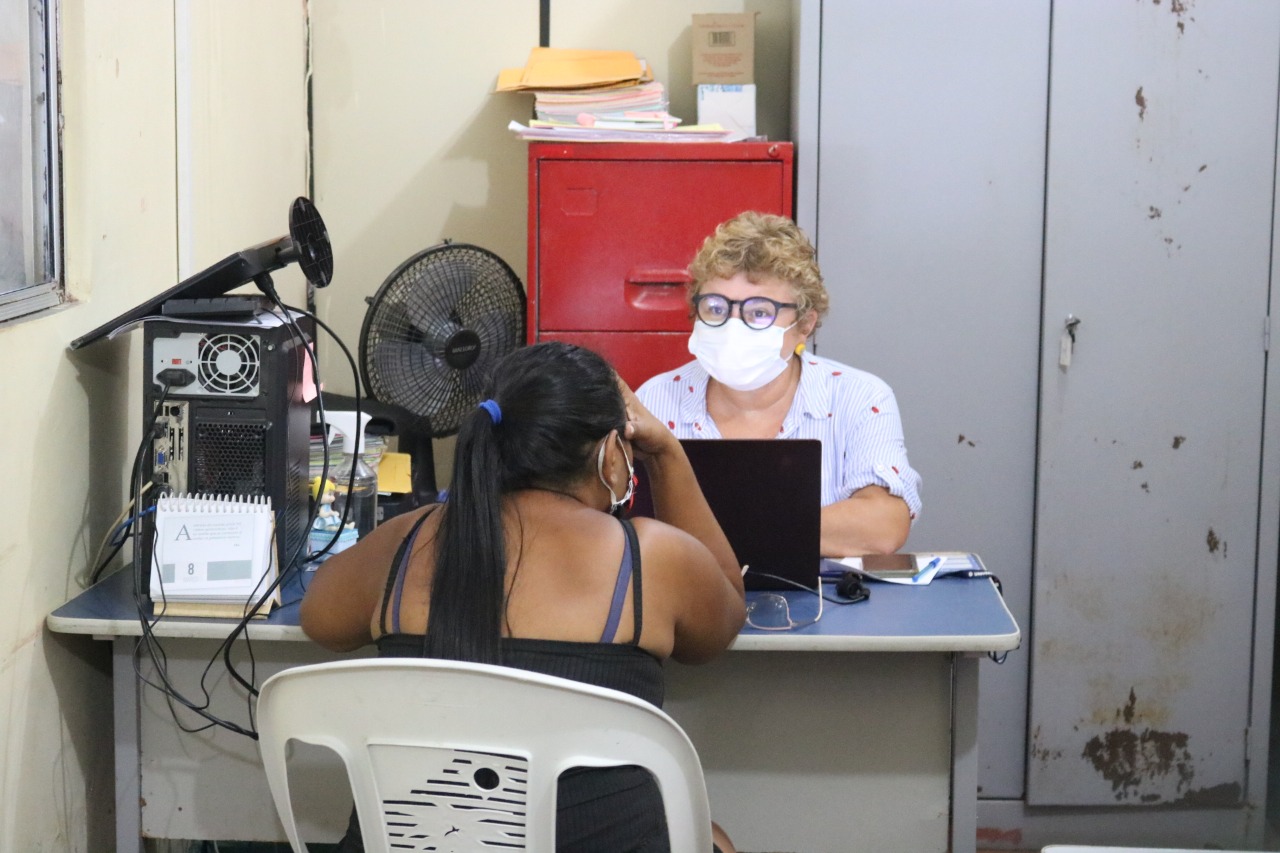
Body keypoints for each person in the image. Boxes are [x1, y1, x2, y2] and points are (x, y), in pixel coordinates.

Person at [300, 341, 744, 853]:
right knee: (714, 839)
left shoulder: (405, 539)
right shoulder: (651, 556)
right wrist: (666, 453)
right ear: (611, 452)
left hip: (419, 844)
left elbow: (320, 622)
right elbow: (724, 616)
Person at [636, 211, 922, 558]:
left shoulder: (859, 397)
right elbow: (623, 522)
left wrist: (720, 527)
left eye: (759, 312)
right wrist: (782, 527)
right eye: (715, 308)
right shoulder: (656, 399)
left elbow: (883, 526)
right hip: (691, 591)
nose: (732, 327)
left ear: (804, 324)